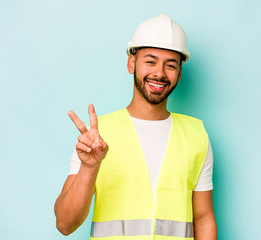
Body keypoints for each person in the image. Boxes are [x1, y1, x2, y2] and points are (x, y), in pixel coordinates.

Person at [54, 14, 217, 240]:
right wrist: (89, 167)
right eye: (150, 61)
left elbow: (203, 219)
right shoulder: (96, 137)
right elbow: (64, 224)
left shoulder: (196, 136)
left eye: (170, 65)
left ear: (179, 74)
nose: (159, 73)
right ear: (132, 63)